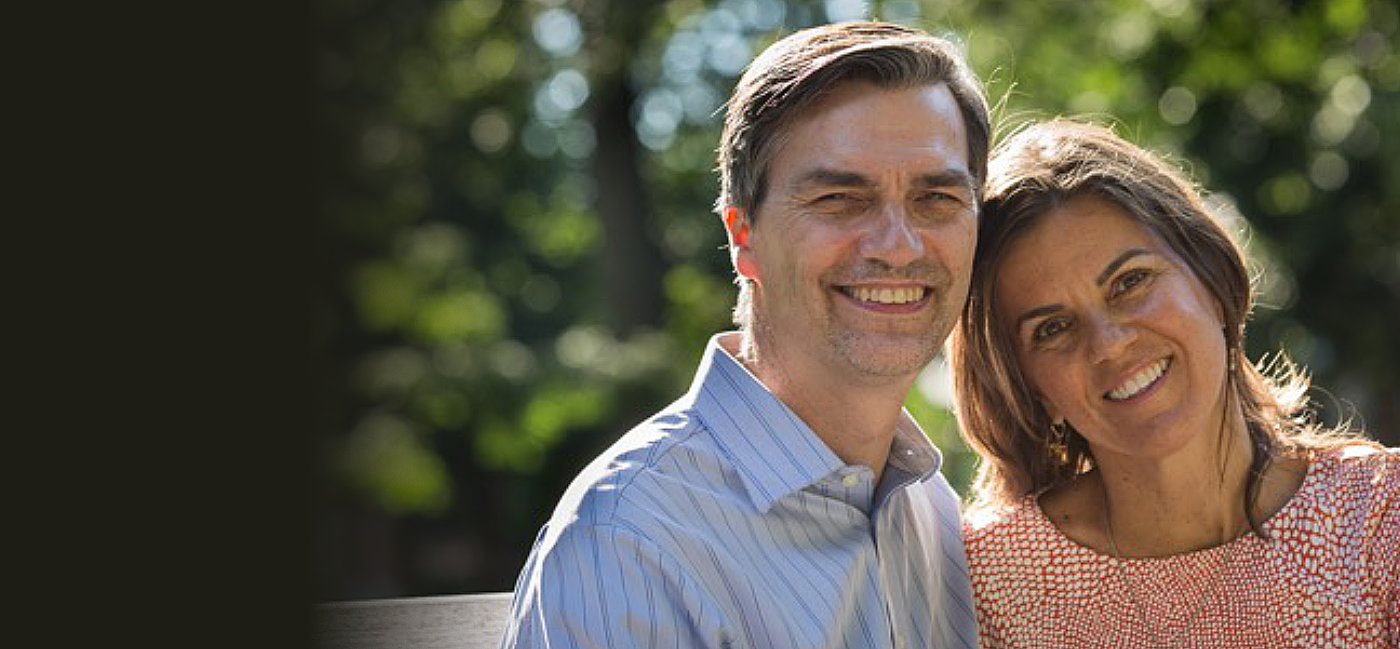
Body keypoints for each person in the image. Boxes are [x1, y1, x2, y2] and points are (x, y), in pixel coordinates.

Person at [500, 21, 990, 649]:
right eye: (841, 198)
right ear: (743, 237)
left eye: (937, 199)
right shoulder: (630, 542)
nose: (897, 246)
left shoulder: (934, 514)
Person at [950, 119, 1399, 648]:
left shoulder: (1377, 523)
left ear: (1212, 278)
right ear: (1029, 387)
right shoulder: (986, 584)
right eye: (1052, 329)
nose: (1109, 344)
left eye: (1130, 282)